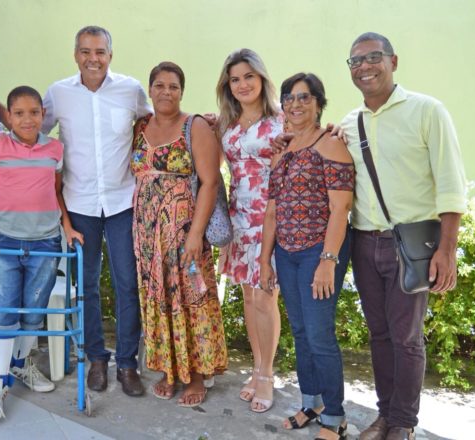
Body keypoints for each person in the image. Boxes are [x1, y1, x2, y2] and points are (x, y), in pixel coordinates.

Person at [341, 33, 466, 440]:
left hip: (411, 245)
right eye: (356, 61)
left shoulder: (427, 111)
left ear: (393, 61)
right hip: (364, 242)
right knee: (379, 335)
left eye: (373, 57)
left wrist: (447, 250)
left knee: (406, 339)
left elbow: (451, 185)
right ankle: (385, 415)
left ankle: (403, 423)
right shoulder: (349, 123)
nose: (364, 67)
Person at [0, 86, 83, 421]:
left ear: (44, 115)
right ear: (8, 116)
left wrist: (67, 227)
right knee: (2, 312)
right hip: (4, 243)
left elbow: (56, 191)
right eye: (20, 113)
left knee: (33, 313)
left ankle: (20, 364)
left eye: (35, 112)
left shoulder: (54, 149)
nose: (28, 120)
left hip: (45, 243)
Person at [41, 25, 151, 397]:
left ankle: (127, 363)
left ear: (110, 55)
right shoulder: (59, 93)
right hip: (79, 204)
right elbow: (33, 132)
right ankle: (97, 359)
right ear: (76, 55)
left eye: (100, 51)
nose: (93, 59)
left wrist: (198, 125)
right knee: (85, 285)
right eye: (86, 51)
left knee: (127, 284)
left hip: (122, 202)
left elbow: (157, 122)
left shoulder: (130, 90)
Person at [260, 73, 354, 439]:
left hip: (318, 250)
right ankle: (311, 402)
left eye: (304, 97)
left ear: (318, 103)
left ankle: (335, 415)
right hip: (286, 252)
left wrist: (328, 261)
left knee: (319, 334)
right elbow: (272, 211)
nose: (295, 104)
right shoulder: (281, 150)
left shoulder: (330, 144)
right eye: (289, 98)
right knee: (300, 331)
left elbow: (340, 208)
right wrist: (265, 259)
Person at [131, 61, 228, 407]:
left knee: (191, 297)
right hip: (147, 236)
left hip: (184, 231)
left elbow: (210, 182)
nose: (166, 92)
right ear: (150, 90)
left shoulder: (194, 126)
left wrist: (195, 234)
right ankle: (169, 370)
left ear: (182, 91)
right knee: (158, 298)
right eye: (159, 85)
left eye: (173, 86)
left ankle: (197, 374)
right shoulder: (141, 125)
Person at [214, 48, 283, 413]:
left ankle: (268, 374)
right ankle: (256, 369)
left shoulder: (282, 119)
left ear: (262, 78)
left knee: (265, 297)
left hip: (270, 219)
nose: (242, 85)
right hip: (239, 219)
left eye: (248, 77)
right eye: (235, 79)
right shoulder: (226, 124)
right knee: (248, 298)